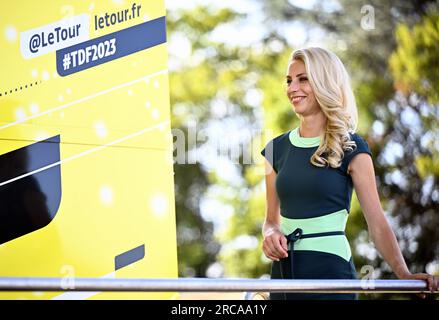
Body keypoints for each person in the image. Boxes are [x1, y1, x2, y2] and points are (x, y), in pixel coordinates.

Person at [260, 47, 439, 300]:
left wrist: (404, 274)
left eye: (303, 79)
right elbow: (270, 220)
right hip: (283, 278)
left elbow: (376, 222)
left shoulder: (352, 148)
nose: (292, 88)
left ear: (324, 82)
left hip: (332, 276)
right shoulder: (274, 149)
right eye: (289, 80)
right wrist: (270, 234)